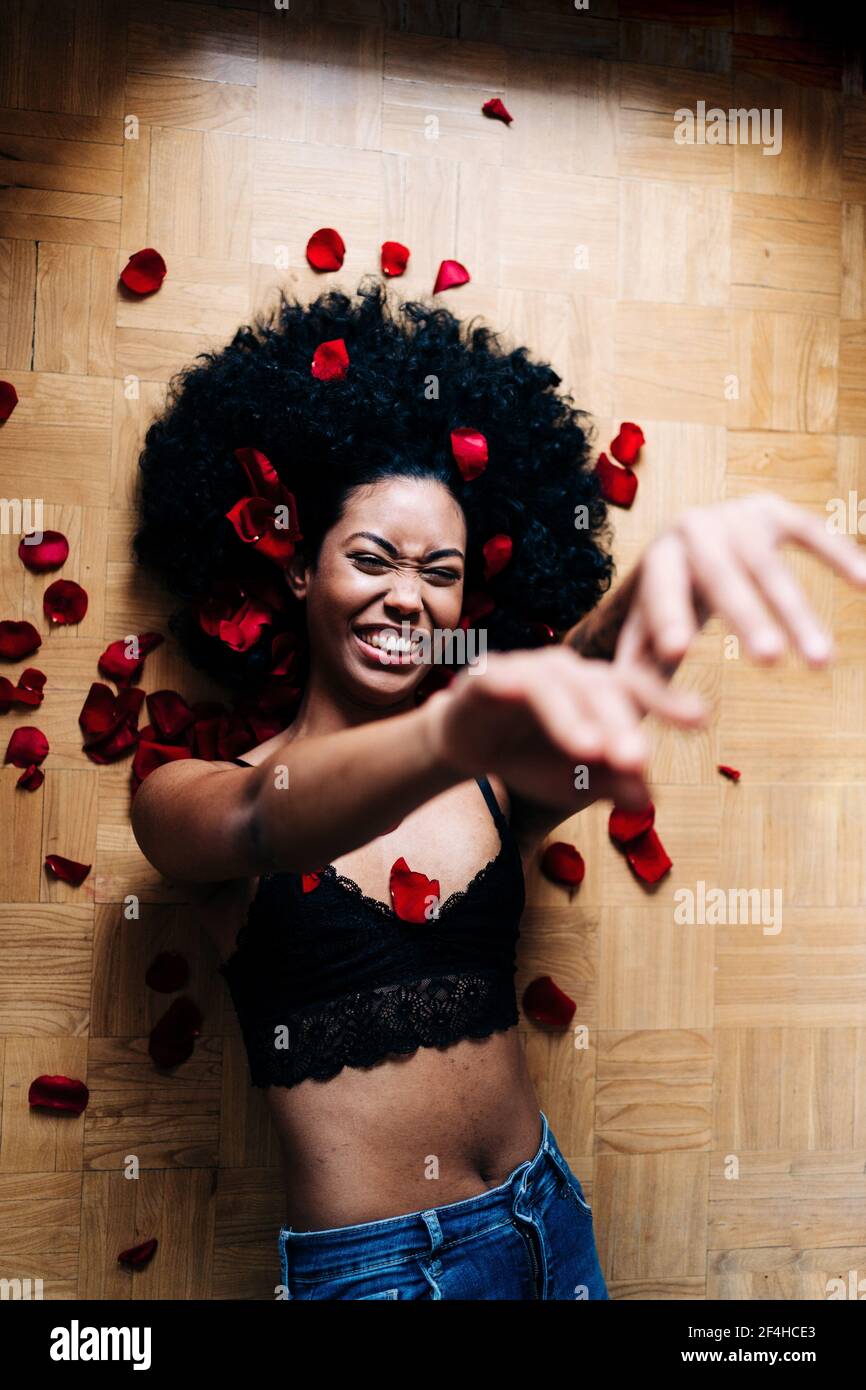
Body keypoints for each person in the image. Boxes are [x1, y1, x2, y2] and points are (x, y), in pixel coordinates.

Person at [131, 281, 866, 1300]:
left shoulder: (487, 782)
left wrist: (667, 576)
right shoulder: (192, 791)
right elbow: (267, 822)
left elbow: (586, 682)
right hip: (380, 1274)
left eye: (438, 571)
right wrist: (444, 730)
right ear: (300, 572)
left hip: (546, 1218)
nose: (405, 594)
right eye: (371, 558)